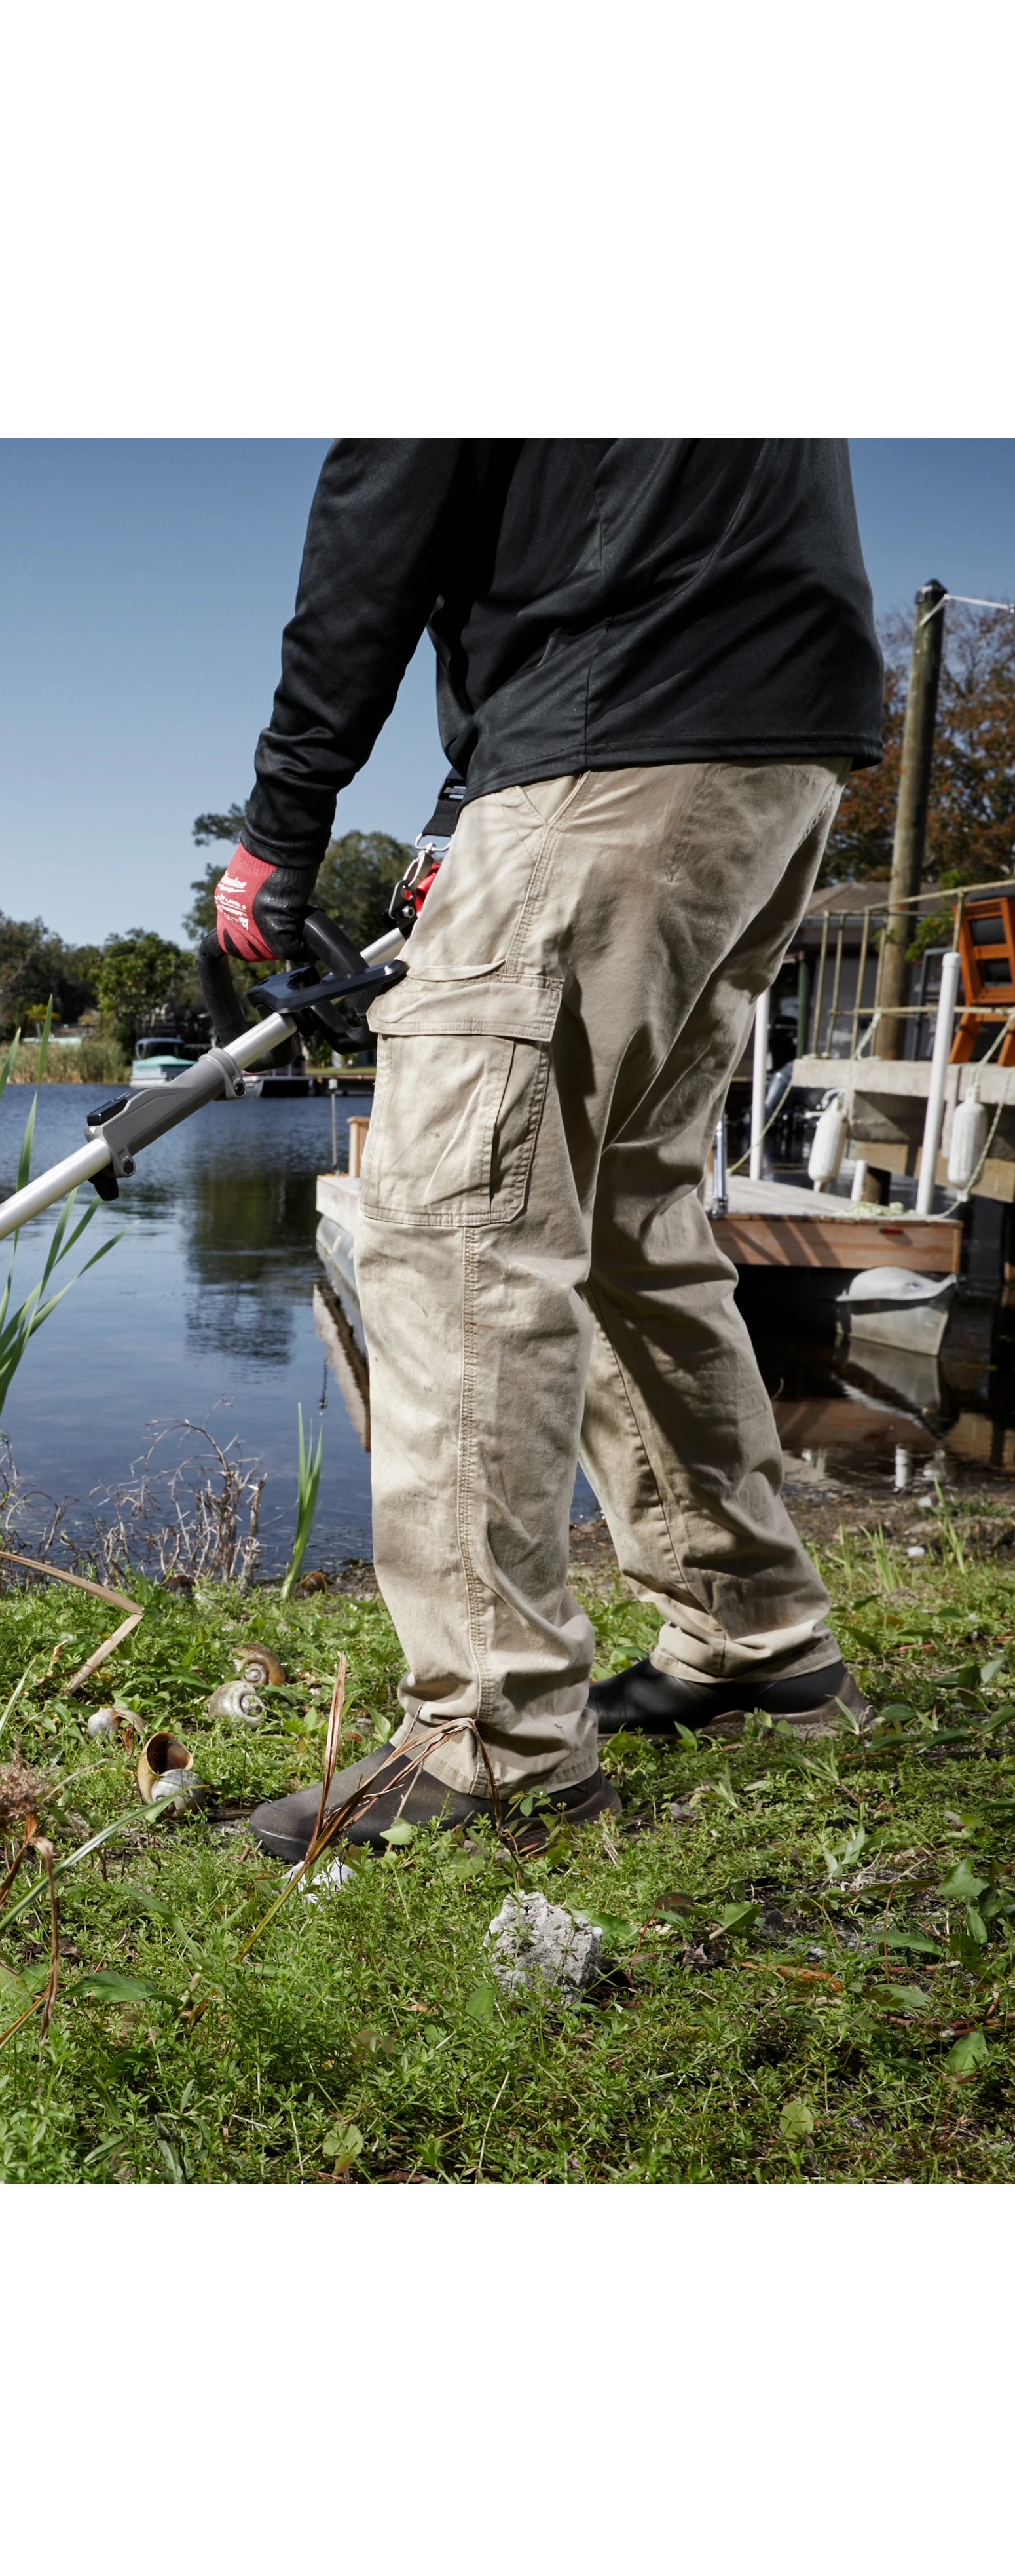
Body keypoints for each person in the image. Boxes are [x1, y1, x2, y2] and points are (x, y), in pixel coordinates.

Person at [213, 438, 887, 1861]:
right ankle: (751, 1631)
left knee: (453, 1223)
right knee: (622, 1209)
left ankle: (491, 1735)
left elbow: (375, 521)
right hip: (777, 732)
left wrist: (280, 824)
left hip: (620, 717)